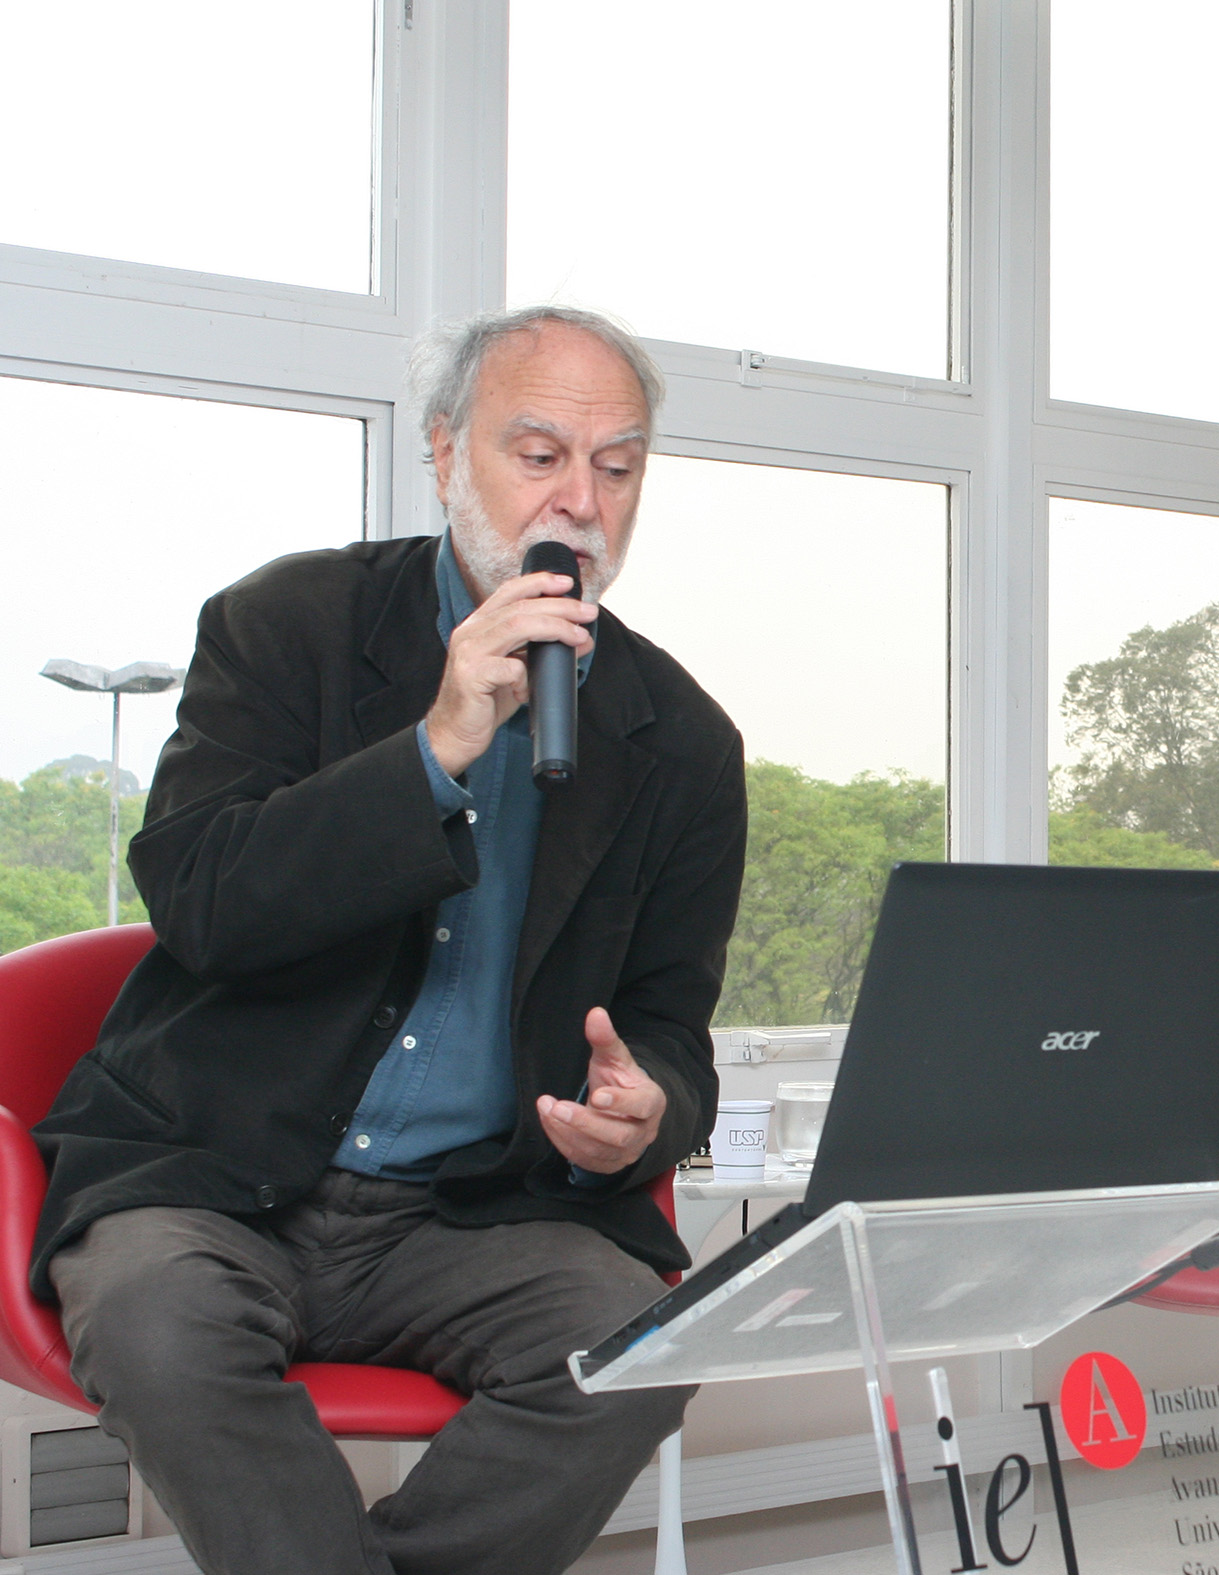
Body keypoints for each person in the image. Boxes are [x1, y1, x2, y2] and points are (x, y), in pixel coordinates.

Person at [30, 305, 748, 1575]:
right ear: (445, 450)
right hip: (213, 1179)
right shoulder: (287, 624)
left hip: (468, 1214)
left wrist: (647, 1112)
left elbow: (669, 1029)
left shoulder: (683, 742)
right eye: (540, 455)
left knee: (643, 1344)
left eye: (618, 467)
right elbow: (203, 900)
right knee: (158, 1326)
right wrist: (437, 747)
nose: (580, 504)